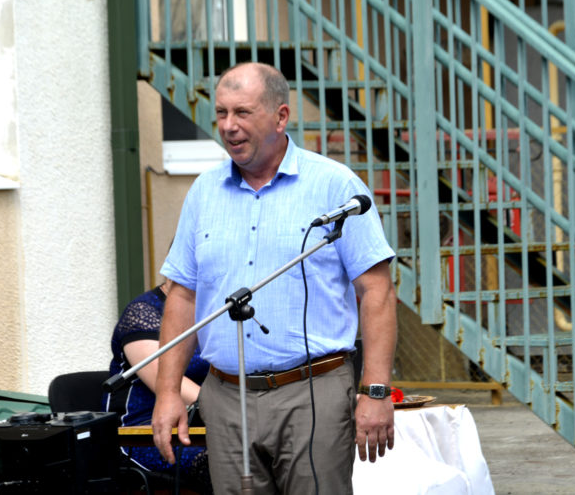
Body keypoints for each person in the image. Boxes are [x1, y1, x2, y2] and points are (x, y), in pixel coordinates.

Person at [151, 62, 397, 494]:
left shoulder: (335, 186)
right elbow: (183, 295)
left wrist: (375, 392)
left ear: (281, 117)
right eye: (221, 113)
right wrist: (168, 391)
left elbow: (377, 291)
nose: (228, 126)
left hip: (313, 392)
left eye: (242, 112)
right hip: (226, 397)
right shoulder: (204, 192)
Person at [105, 281, 214, 494]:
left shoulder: (213, 311)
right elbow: (171, 383)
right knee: (220, 462)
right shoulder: (142, 313)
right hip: (143, 433)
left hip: (203, 426)